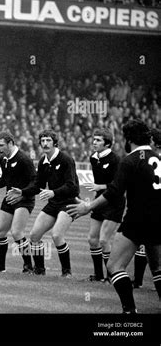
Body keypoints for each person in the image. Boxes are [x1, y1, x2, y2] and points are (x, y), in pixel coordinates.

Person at [68, 119, 161, 313]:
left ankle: (129, 310)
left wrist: (89, 206)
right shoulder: (158, 158)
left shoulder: (129, 160)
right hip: (158, 219)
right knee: (157, 269)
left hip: (137, 220)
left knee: (115, 266)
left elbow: (114, 192)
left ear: (129, 139)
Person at [7, 129, 79, 277]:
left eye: (48, 141)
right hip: (54, 203)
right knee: (34, 235)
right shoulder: (43, 161)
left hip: (69, 202)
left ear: (54, 143)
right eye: (43, 141)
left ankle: (67, 272)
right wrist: (22, 192)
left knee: (57, 235)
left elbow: (72, 186)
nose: (45, 144)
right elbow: (37, 185)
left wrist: (53, 192)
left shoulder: (66, 159)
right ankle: (39, 271)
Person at [0, 132, 36, 273]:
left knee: (16, 232)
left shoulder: (24, 159)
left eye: (1, 145)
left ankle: (29, 267)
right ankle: (0, 268)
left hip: (24, 199)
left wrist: (22, 193)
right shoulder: (3, 158)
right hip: (9, 198)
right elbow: (5, 179)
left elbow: (35, 183)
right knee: (0, 232)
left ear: (10, 143)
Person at [83, 128, 125, 282]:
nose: (94, 142)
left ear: (107, 143)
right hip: (100, 201)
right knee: (92, 239)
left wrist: (100, 187)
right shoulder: (94, 158)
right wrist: (96, 194)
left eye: (98, 140)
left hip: (114, 202)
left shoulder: (116, 160)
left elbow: (118, 185)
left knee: (103, 240)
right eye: (94, 139)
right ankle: (98, 276)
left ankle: (111, 277)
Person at [132, 127, 161, 289]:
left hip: (151, 210)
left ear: (154, 143)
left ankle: (138, 281)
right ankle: (138, 280)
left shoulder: (150, 160)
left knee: (147, 248)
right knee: (146, 247)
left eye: (149, 140)